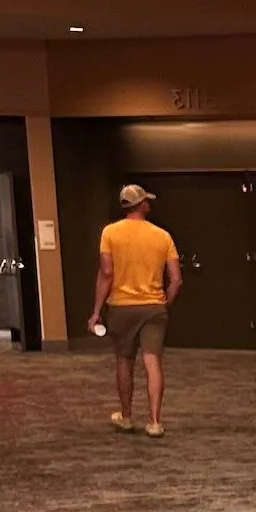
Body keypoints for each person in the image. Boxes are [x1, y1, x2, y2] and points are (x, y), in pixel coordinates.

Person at [90, 184, 180, 438]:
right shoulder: (162, 236)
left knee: (124, 360)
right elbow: (176, 279)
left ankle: (127, 416)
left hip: (121, 306)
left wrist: (96, 311)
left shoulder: (110, 233)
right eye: (147, 201)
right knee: (153, 362)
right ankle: (154, 421)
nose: (150, 204)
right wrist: (164, 303)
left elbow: (107, 273)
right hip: (153, 306)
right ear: (140, 204)